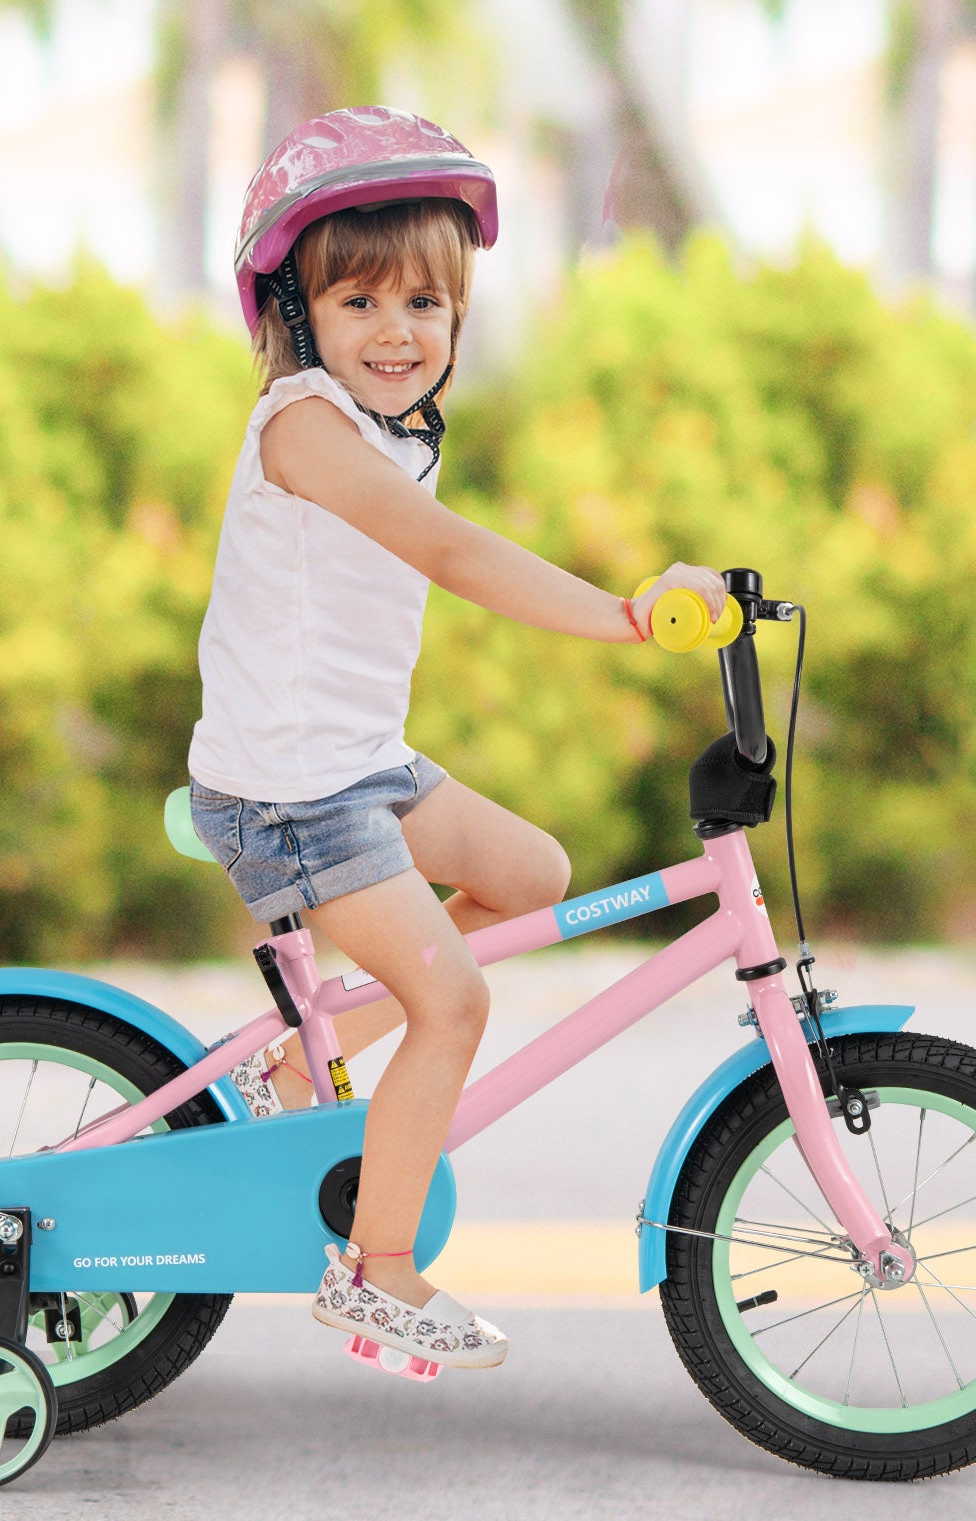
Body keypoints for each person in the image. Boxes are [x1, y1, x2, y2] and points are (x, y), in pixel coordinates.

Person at [187, 106, 731, 1369]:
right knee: (453, 998)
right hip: (288, 792)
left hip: (352, 762)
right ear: (296, 313)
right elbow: (449, 554)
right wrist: (627, 617)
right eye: (360, 301)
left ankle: (295, 1066)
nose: (397, 331)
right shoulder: (304, 425)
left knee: (531, 874)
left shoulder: (389, 431)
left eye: (424, 304)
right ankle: (374, 1272)